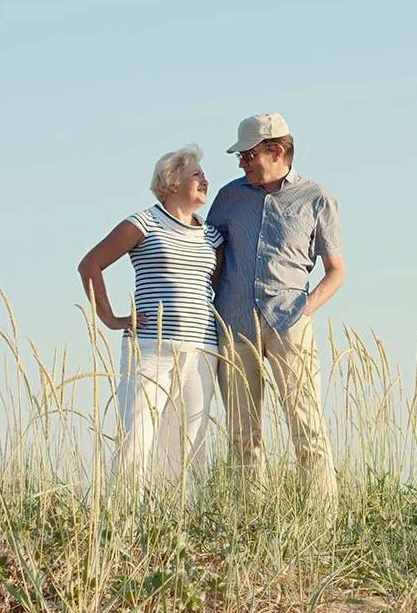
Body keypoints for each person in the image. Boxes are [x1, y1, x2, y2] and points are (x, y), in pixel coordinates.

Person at [207, 113, 345, 517]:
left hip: (289, 325)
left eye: (248, 155)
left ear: (277, 151)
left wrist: (304, 311)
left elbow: (336, 271)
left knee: (307, 425)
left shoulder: (317, 198)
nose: (241, 163)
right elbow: (209, 258)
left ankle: (321, 522)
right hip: (233, 325)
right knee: (241, 432)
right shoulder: (229, 198)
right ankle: (250, 520)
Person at [77, 144, 224, 485]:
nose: (205, 180)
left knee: (189, 445)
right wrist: (111, 318)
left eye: (204, 174)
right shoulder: (144, 222)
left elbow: (211, 288)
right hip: (150, 347)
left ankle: (183, 526)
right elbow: (90, 265)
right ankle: (125, 524)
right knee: (136, 436)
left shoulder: (211, 235)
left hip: (201, 349)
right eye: (196, 174)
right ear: (172, 183)